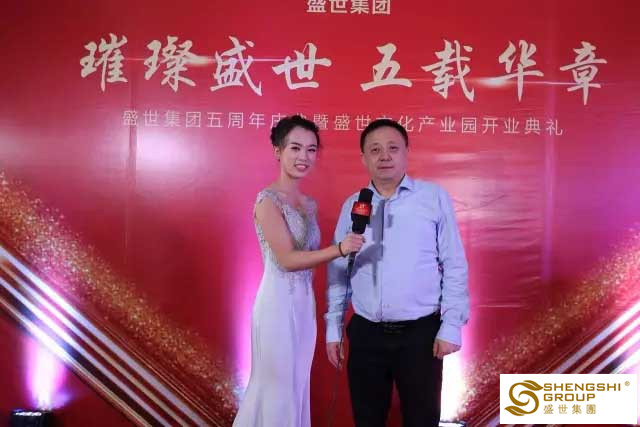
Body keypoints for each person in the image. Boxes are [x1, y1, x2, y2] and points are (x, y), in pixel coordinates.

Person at [325, 119, 469, 427]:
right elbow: (339, 270)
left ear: (406, 152)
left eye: (393, 148)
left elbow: (454, 263)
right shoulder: (354, 205)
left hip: (420, 336)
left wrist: (451, 325)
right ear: (364, 158)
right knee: (367, 420)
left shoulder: (432, 197)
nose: (384, 156)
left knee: (421, 420)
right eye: (375, 150)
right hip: (366, 333)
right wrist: (333, 328)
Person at [233, 115, 364, 427]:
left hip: (304, 306)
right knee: (276, 389)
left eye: (311, 149)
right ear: (278, 151)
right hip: (276, 306)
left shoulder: (309, 204)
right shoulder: (267, 201)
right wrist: (340, 249)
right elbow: (287, 260)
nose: (303, 156)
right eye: (295, 148)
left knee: (295, 387)